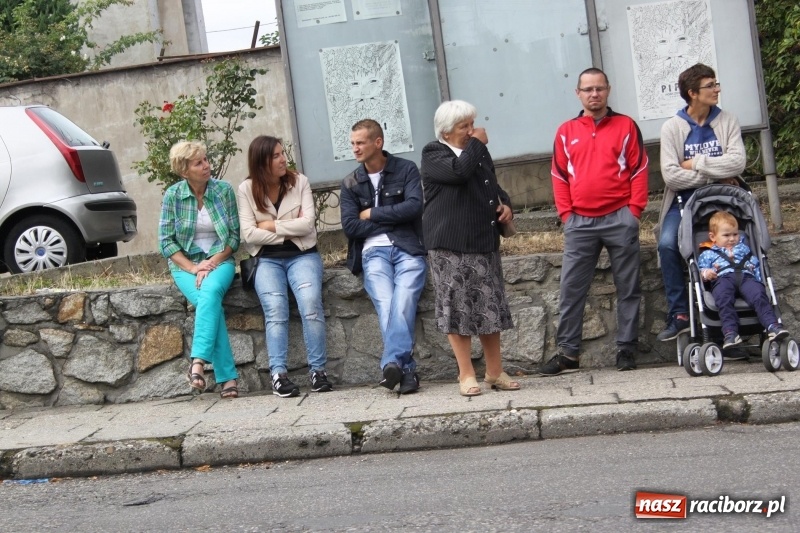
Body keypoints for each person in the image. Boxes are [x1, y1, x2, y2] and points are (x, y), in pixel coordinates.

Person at [542, 67, 649, 375]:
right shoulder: (566, 131)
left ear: (608, 90)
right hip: (580, 222)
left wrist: (634, 212)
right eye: (587, 89)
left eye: (599, 88)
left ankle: (626, 349)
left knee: (628, 286)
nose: (594, 94)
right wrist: (566, 215)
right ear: (578, 93)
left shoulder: (626, 125)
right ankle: (568, 354)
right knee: (571, 289)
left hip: (620, 218)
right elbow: (558, 175)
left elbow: (639, 169)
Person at [420, 100, 520, 396]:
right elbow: (459, 172)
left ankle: (494, 372)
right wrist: (476, 143)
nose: (471, 130)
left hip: (483, 241)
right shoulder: (433, 153)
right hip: (449, 245)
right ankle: (466, 374)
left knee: (490, 308)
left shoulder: (476, 151)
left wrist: (506, 206)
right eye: (464, 126)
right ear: (447, 131)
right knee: (457, 310)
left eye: (471, 124)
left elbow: (492, 185)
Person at [656, 63, 746, 343]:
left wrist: (696, 163)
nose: (716, 89)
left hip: (725, 202)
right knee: (668, 244)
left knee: (740, 241)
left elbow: (739, 161)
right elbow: (671, 175)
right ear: (692, 93)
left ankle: (742, 307)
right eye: (710, 86)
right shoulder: (672, 127)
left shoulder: (727, 120)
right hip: (683, 202)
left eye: (716, 84)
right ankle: (680, 314)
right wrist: (716, 176)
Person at [237, 135, 332, 398]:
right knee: (276, 309)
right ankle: (279, 375)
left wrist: (270, 225)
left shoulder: (299, 182)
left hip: (303, 255)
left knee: (310, 303)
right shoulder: (246, 189)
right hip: (266, 260)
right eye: (276, 155)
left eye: (282, 153)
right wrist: (288, 231)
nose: (283, 159)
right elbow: (249, 235)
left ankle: (318, 372)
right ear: (262, 162)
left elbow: (308, 225)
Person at [340, 119, 427, 394]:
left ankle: (392, 363)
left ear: (378, 142)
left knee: (403, 299)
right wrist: (393, 218)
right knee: (387, 302)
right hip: (372, 252)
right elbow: (351, 226)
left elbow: (414, 207)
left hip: (408, 247)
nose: (355, 148)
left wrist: (373, 213)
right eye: (353, 143)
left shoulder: (406, 170)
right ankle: (407, 369)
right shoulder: (351, 182)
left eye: (360, 142)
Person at [158, 140, 240, 399]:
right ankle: (228, 378)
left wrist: (211, 263)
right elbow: (166, 242)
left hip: (220, 261)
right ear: (184, 171)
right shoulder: (173, 195)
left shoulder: (224, 191)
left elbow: (234, 238)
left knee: (211, 291)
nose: (207, 166)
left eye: (206, 160)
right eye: (199, 163)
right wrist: (194, 267)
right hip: (185, 266)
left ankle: (198, 363)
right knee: (210, 302)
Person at [697, 211, 789, 347]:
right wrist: (707, 273)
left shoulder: (744, 249)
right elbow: (701, 270)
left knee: (758, 295)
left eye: (735, 234)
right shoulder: (708, 253)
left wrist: (760, 280)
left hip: (747, 277)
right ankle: (730, 332)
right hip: (723, 279)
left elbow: (756, 263)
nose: (732, 238)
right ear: (713, 237)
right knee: (723, 298)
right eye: (726, 235)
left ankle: (772, 325)